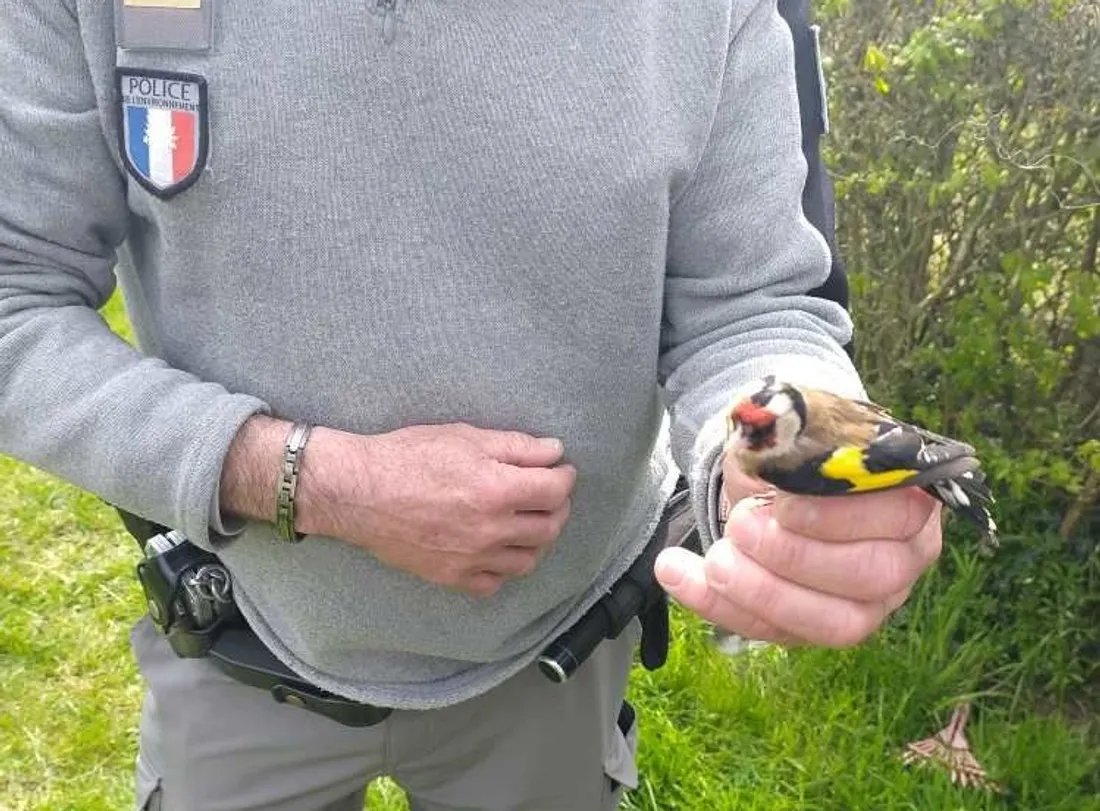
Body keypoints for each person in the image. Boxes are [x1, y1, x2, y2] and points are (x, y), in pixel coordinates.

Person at [0, 1, 942, 809]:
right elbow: (15, 298)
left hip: (557, 657)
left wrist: (797, 455)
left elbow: (752, 304)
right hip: (238, 635)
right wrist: (310, 479)